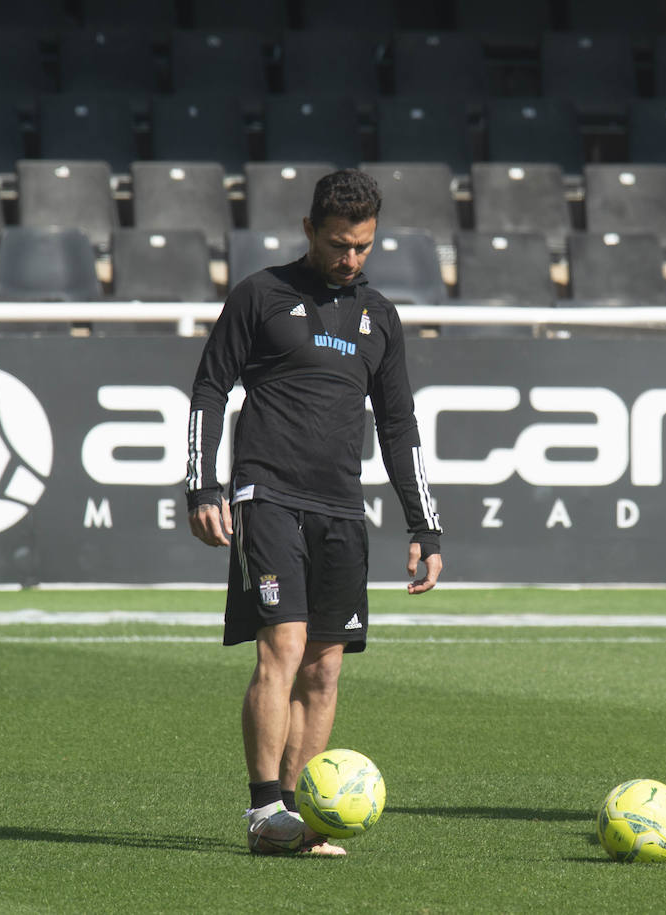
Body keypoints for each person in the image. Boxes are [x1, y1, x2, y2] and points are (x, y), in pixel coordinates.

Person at [186, 168, 443, 856]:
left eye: (362, 246)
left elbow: (399, 426)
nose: (350, 258)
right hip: (267, 494)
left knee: (325, 667)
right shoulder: (262, 294)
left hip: (341, 508)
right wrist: (202, 485)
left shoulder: (379, 316)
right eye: (338, 244)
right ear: (309, 230)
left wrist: (425, 526)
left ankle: (297, 818)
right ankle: (263, 809)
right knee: (285, 645)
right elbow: (210, 387)